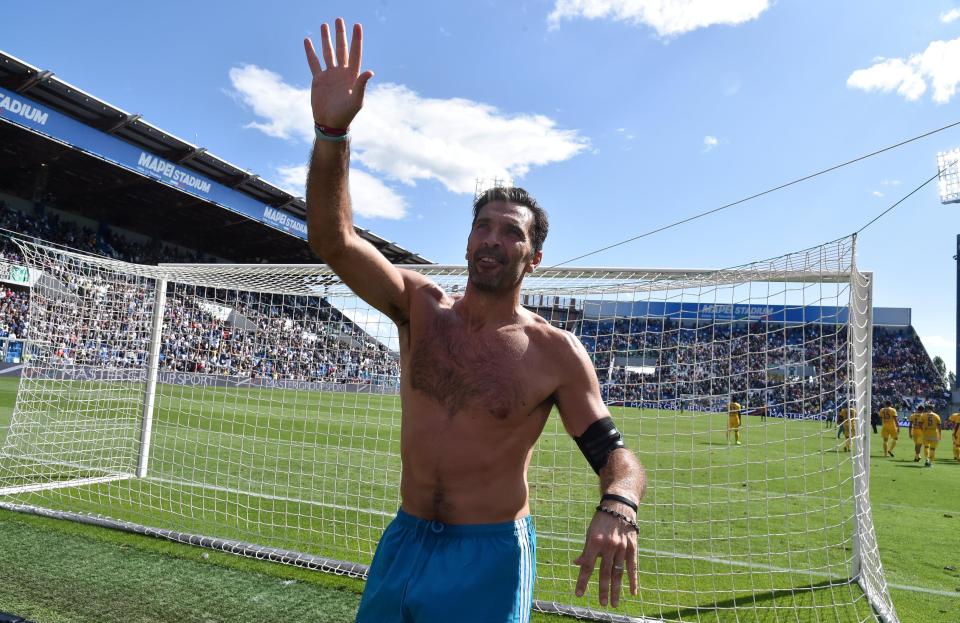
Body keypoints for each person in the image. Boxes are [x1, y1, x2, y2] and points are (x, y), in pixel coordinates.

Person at [302, 19, 646, 622]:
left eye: (510, 232)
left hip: (487, 558)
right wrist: (332, 133)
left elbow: (618, 457)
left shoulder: (555, 353)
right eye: (482, 226)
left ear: (533, 258)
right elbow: (335, 240)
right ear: (466, 241)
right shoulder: (419, 308)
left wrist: (618, 506)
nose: (492, 240)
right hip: (405, 540)